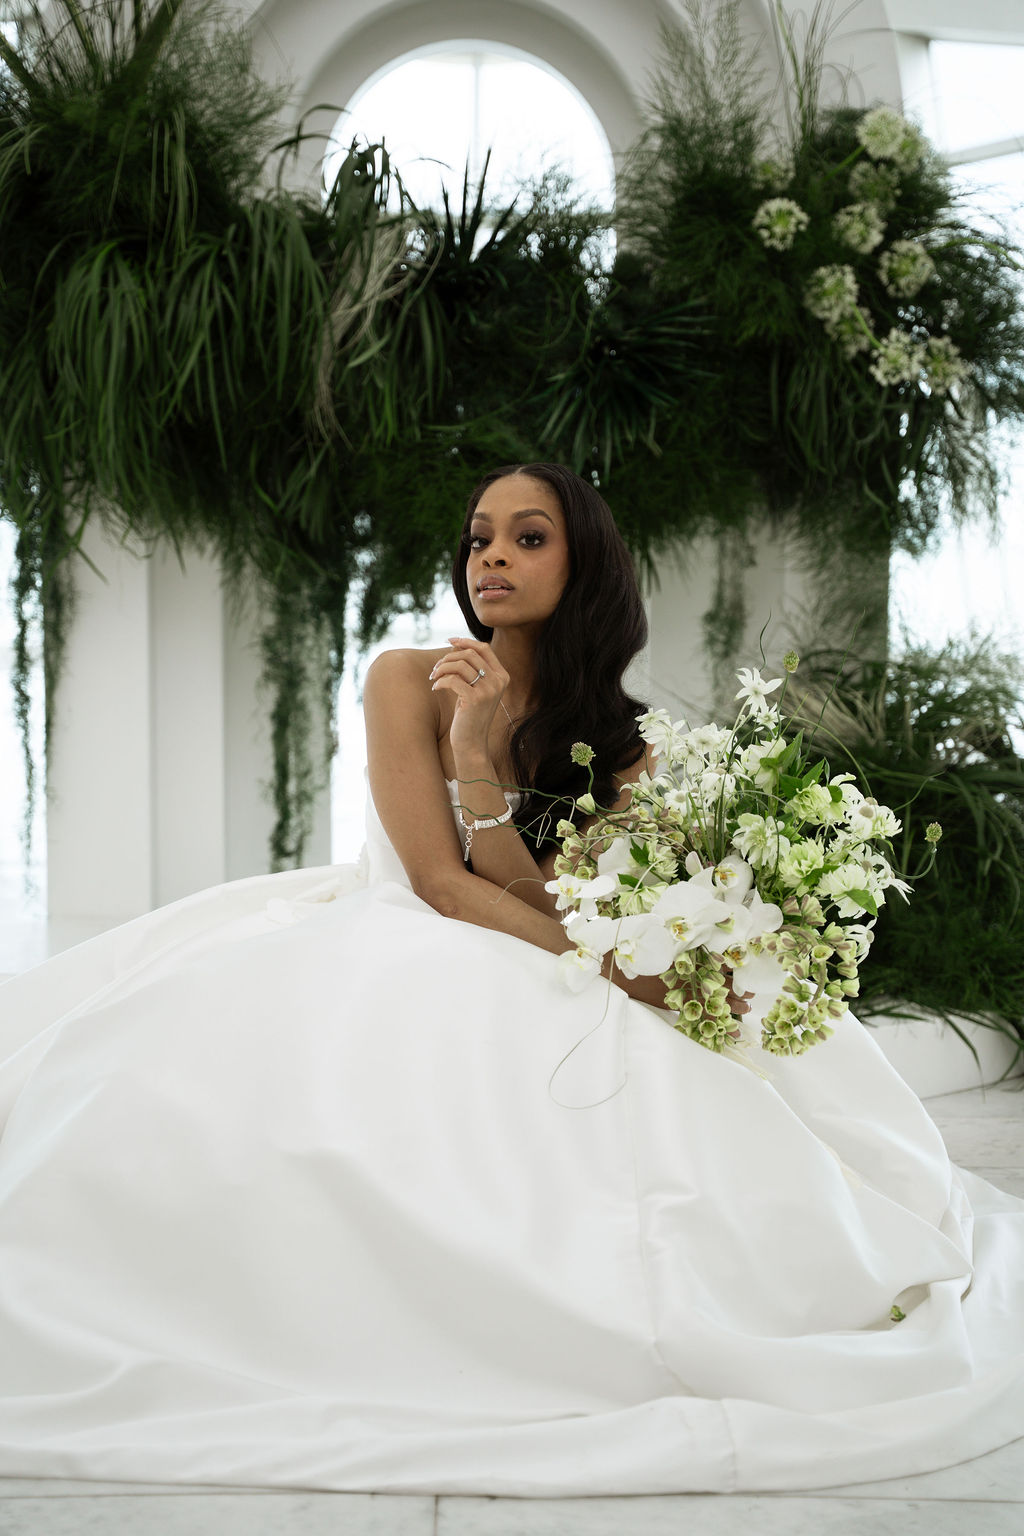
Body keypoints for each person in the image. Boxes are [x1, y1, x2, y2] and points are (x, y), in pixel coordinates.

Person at [0, 462, 1022, 1498]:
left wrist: (540, 841)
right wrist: (476, 756)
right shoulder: (409, 676)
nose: (491, 555)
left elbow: (554, 905)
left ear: (584, 565)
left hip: (528, 938)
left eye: (528, 538)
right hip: (397, 927)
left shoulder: (621, 753)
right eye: (480, 536)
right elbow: (442, 885)